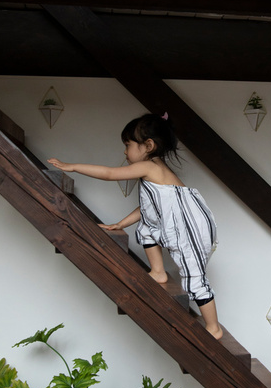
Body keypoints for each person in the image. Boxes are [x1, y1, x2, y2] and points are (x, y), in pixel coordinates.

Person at [48, 113, 223, 340]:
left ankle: (213, 328)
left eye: (128, 145)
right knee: (146, 229)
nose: (124, 151)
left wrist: (72, 166)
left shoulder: (150, 167)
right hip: (186, 224)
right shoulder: (156, 175)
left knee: (194, 276)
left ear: (148, 146)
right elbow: (147, 210)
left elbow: (111, 173)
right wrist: (120, 223)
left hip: (192, 229)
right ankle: (158, 272)